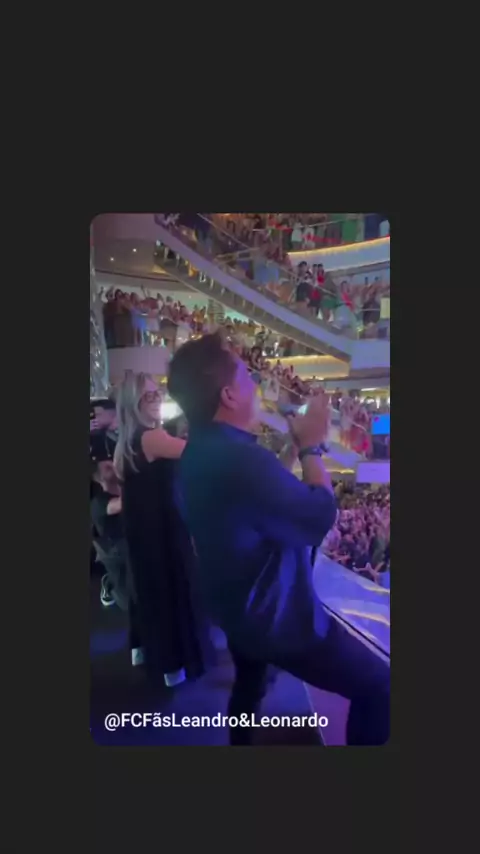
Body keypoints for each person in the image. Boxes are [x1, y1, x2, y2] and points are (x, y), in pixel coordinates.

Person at [168, 332, 389, 745]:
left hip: (235, 607)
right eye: (247, 377)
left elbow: (256, 499)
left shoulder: (199, 451)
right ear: (229, 395)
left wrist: (291, 448)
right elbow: (319, 515)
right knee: (380, 687)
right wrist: (311, 448)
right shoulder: (240, 459)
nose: (257, 385)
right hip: (277, 617)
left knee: (249, 686)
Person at [114, 372, 213, 687]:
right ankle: (174, 664)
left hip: (144, 527)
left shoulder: (127, 441)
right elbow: (197, 454)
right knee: (173, 590)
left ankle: (155, 655)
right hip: (162, 527)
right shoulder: (151, 437)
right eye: (149, 395)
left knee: (152, 591)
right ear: (134, 403)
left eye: (157, 393)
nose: (157, 399)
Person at [90, 455, 143, 663]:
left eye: (112, 464)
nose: (112, 466)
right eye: (106, 468)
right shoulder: (98, 503)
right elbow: (118, 505)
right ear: (98, 478)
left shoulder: (126, 491)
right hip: (123, 569)